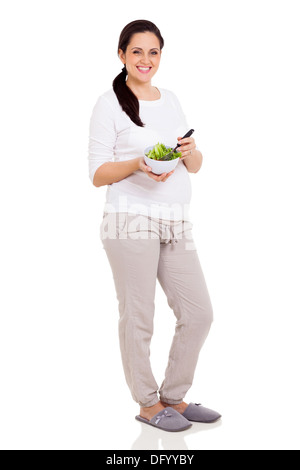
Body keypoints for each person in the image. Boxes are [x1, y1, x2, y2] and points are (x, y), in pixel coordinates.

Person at [88, 19, 221, 432]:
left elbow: (194, 166)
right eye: (137, 51)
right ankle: (148, 405)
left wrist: (190, 151)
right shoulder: (109, 102)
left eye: (153, 52)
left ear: (161, 55)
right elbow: (97, 174)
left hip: (176, 222)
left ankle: (173, 398)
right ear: (122, 55)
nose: (146, 60)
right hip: (129, 220)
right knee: (139, 317)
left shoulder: (172, 98)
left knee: (199, 313)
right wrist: (139, 163)